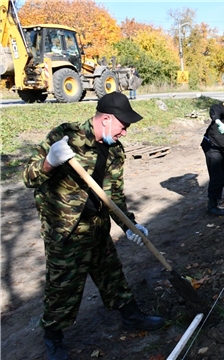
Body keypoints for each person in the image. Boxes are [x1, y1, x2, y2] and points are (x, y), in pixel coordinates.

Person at [22, 92, 165, 360]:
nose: (125, 132)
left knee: (112, 274)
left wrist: (130, 226)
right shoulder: (64, 137)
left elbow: (115, 196)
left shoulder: (114, 151)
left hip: (96, 226)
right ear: (107, 119)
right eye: (124, 125)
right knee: (62, 286)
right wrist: (49, 162)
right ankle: (53, 337)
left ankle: (131, 316)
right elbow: (27, 178)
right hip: (65, 231)